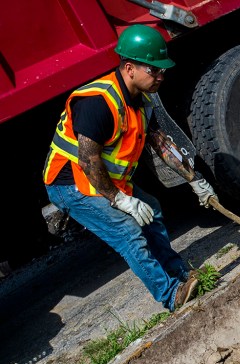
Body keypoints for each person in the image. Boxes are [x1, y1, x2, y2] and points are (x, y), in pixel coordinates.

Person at [42, 25, 218, 311]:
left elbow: (161, 144)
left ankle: (181, 274)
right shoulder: (98, 103)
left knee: (153, 211)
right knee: (128, 231)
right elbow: (88, 160)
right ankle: (172, 295)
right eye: (154, 70)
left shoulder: (143, 100)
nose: (161, 76)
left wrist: (194, 180)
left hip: (105, 179)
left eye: (163, 70)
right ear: (129, 67)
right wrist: (120, 200)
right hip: (71, 184)